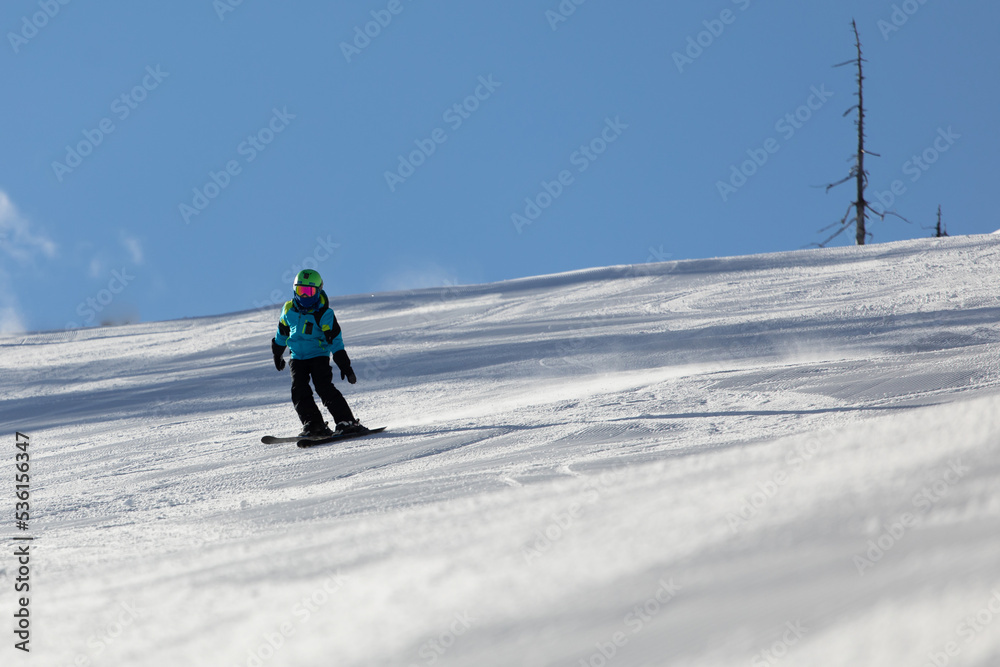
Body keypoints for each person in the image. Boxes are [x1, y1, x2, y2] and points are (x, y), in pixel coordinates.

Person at [271, 269, 362, 437]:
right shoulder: (288, 309)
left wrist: (345, 366)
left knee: (323, 387)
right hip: (297, 358)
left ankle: (346, 421)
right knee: (298, 390)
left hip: (318, 356)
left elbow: (335, 340)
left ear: (318, 290)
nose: (304, 296)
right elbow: (282, 332)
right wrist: (277, 353)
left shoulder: (324, 314)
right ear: (294, 290)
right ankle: (314, 424)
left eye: (309, 291)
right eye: (301, 291)